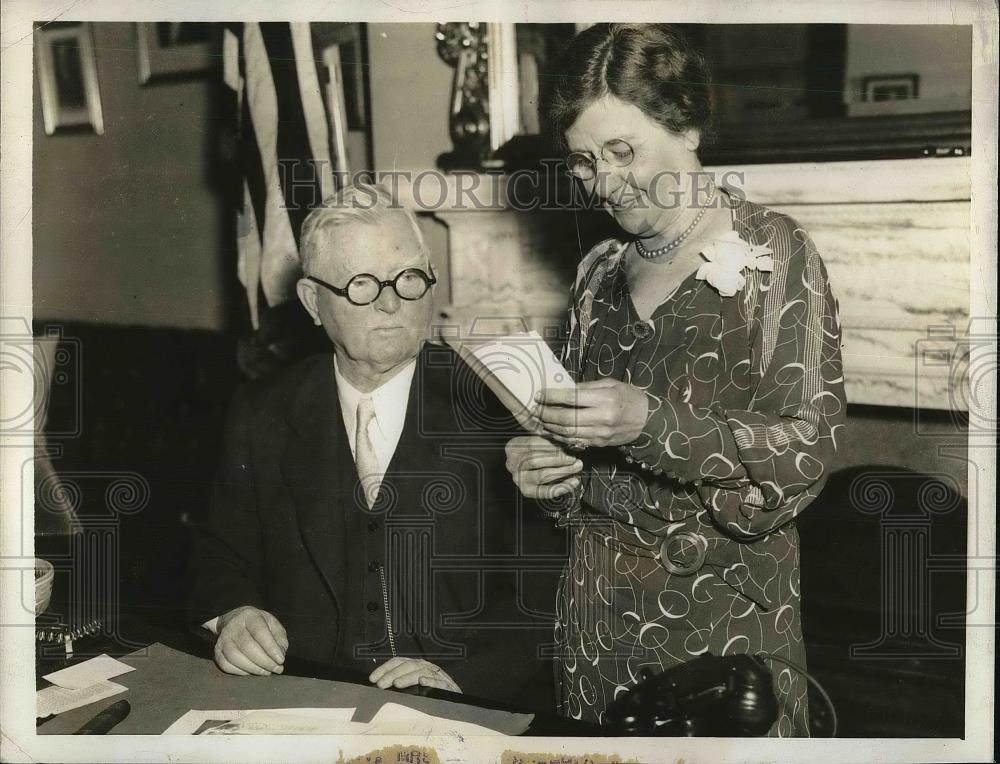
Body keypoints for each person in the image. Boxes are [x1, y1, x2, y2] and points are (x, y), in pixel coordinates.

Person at [505, 24, 847, 736]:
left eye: (623, 151)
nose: (605, 181)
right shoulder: (597, 274)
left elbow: (805, 454)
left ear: (687, 124)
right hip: (595, 635)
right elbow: (584, 473)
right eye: (583, 162)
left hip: (721, 637)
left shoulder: (775, 252)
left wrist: (652, 423)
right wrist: (548, 472)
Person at [189, 183, 559, 708]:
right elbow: (221, 550)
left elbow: (551, 586)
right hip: (304, 700)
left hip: (462, 707)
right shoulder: (263, 409)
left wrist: (465, 677)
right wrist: (234, 613)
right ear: (314, 302)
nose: (391, 304)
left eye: (409, 278)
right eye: (362, 284)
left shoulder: (498, 404)